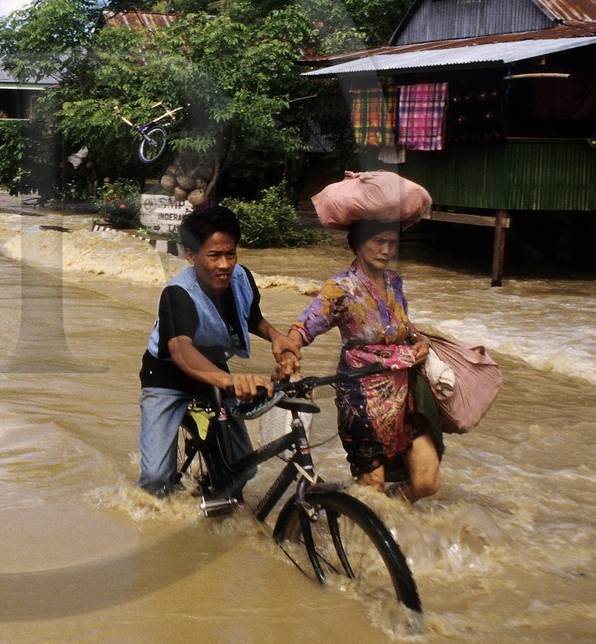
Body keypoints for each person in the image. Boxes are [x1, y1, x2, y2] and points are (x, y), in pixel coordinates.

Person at [137, 205, 299, 497]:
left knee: (244, 467)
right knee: (155, 478)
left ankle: (217, 508)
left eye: (231, 254)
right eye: (214, 256)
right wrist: (231, 382)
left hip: (214, 367)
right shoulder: (178, 293)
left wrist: (276, 337)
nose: (225, 264)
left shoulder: (242, 278)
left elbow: (249, 317)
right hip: (167, 377)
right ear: (191, 255)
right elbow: (181, 350)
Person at [284, 220, 441, 501]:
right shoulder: (340, 287)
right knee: (373, 489)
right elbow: (303, 327)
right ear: (358, 243)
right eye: (378, 241)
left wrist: (421, 341)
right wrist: (288, 354)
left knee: (427, 482)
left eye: (392, 243)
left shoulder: (394, 281)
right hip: (360, 398)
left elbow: (402, 325)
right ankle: (364, 533)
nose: (386, 249)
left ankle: (388, 526)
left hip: (405, 393)